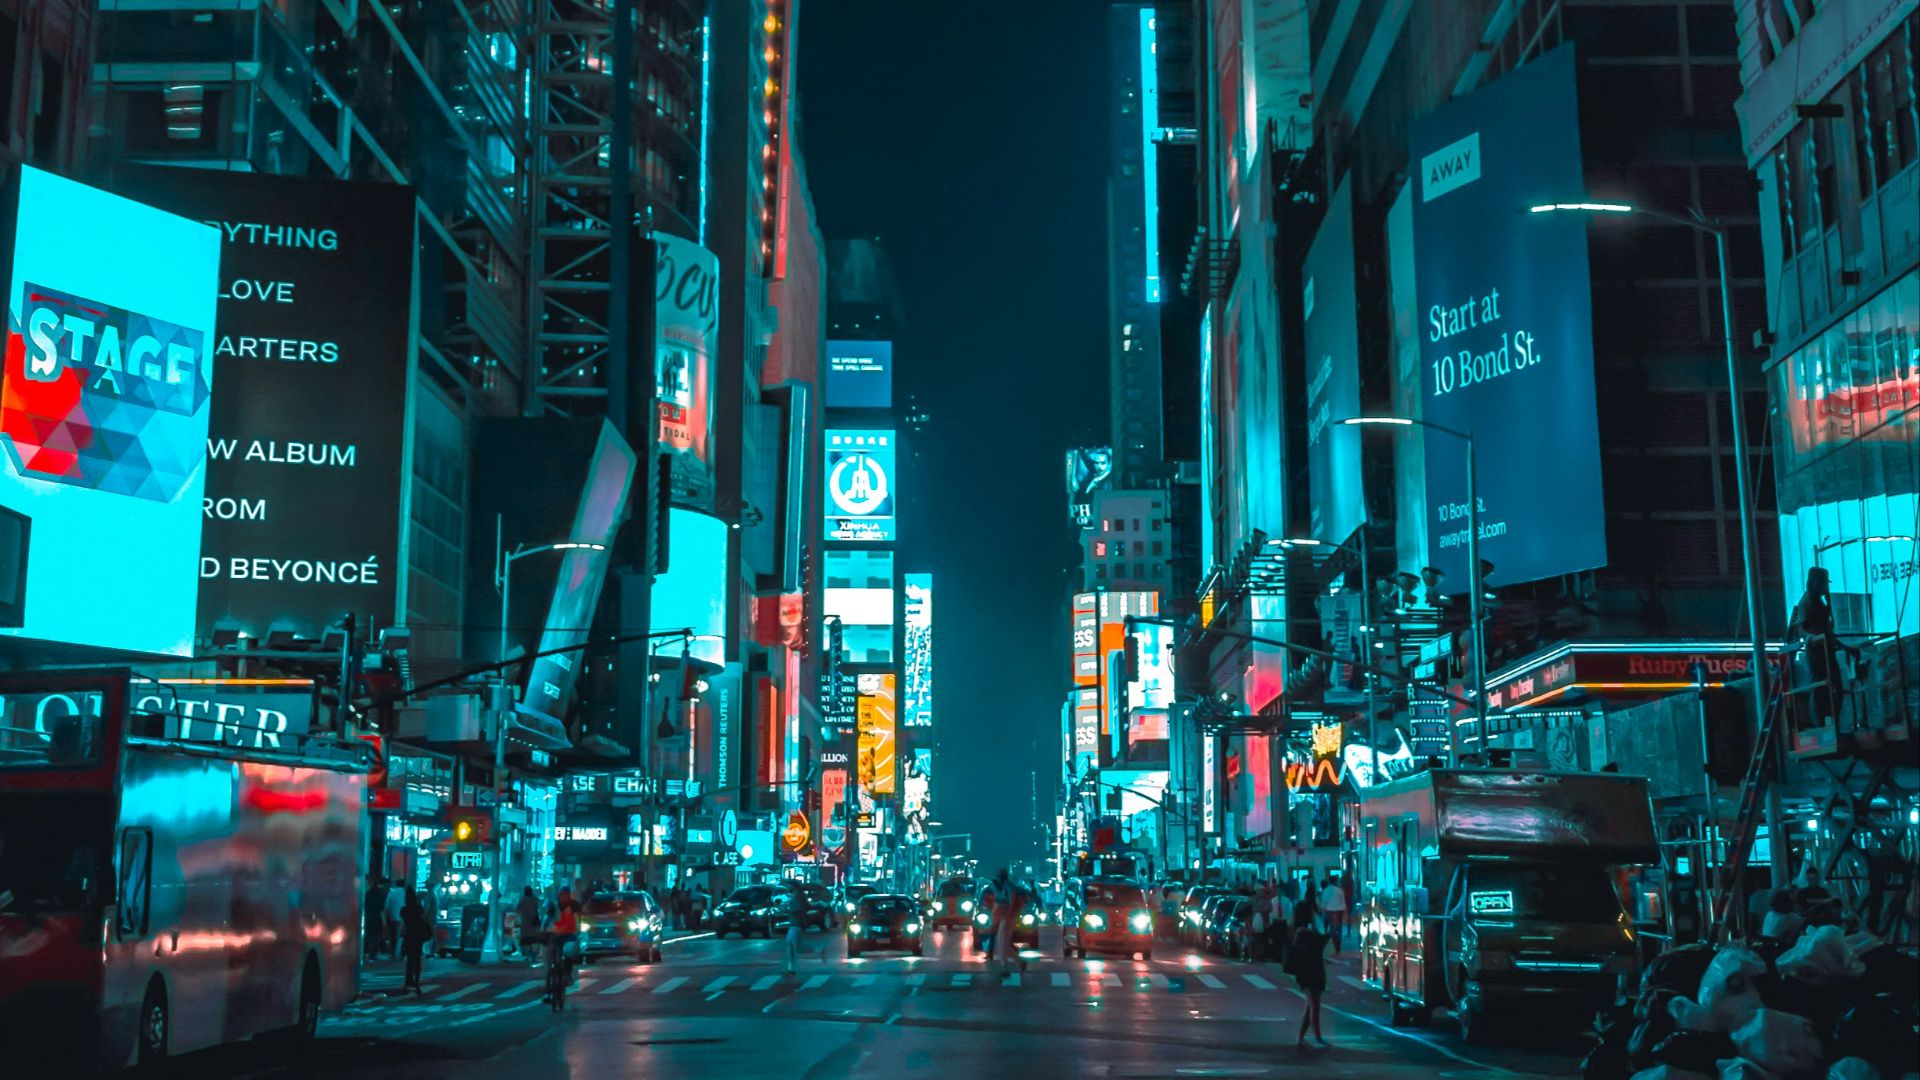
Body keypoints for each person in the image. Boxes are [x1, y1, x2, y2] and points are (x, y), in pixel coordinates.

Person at [1287, 898, 1331, 1050]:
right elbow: (1320, 943)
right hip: (1310, 970)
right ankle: (1317, 1037)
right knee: (1314, 1004)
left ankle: (1301, 1037)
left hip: (1307, 970)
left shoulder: (1298, 929)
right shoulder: (1303, 931)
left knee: (1310, 1004)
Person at [401, 888, 431, 994]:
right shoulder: (419, 909)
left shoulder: (404, 910)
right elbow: (425, 921)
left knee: (409, 960)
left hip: (409, 936)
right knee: (417, 959)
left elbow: (403, 925)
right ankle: (416, 982)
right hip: (418, 936)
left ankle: (408, 982)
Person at [1319, 875, 1348, 955]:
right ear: (1335, 881)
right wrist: (1345, 912)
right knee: (1339, 929)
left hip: (1330, 911)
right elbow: (1343, 902)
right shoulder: (1340, 890)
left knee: (1333, 928)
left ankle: (1335, 944)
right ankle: (1338, 945)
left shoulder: (1326, 890)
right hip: (1339, 911)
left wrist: (1323, 911)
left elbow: (1323, 903)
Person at [363, 877, 389, 961]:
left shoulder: (368, 893)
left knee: (369, 935)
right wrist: (384, 922)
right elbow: (382, 909)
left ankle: (367, 953)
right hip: (377, 917)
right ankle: (373, 954)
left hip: (368, 916)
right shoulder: (380, 895)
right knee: (376, 935)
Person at [516, 886, 543, 965]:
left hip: (525, 924)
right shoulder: (534, 900)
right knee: (534, 940)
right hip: (534, 923)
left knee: (526, 941)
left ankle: (528, 957)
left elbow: (517, 910)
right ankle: (534, 956)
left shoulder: (523, 900)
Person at [784, 881, 806, 974]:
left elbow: (800, 908)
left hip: (796, 923)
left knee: (796, 946)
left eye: (789, 885)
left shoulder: (798, 896)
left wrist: (789, 910)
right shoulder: (795, 895)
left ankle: (820, 950)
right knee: (790, 944)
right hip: (793, 923)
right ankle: (790, 967)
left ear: (794, 886)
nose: (788, 887)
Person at [382, 875, 406, 958]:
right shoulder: (405, 893)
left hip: (390, 917)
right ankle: (397, 954)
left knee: (392, 937)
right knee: (398, 937)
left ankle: (392, 953)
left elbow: (386, 906)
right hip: (400, 918)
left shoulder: (392, 892)